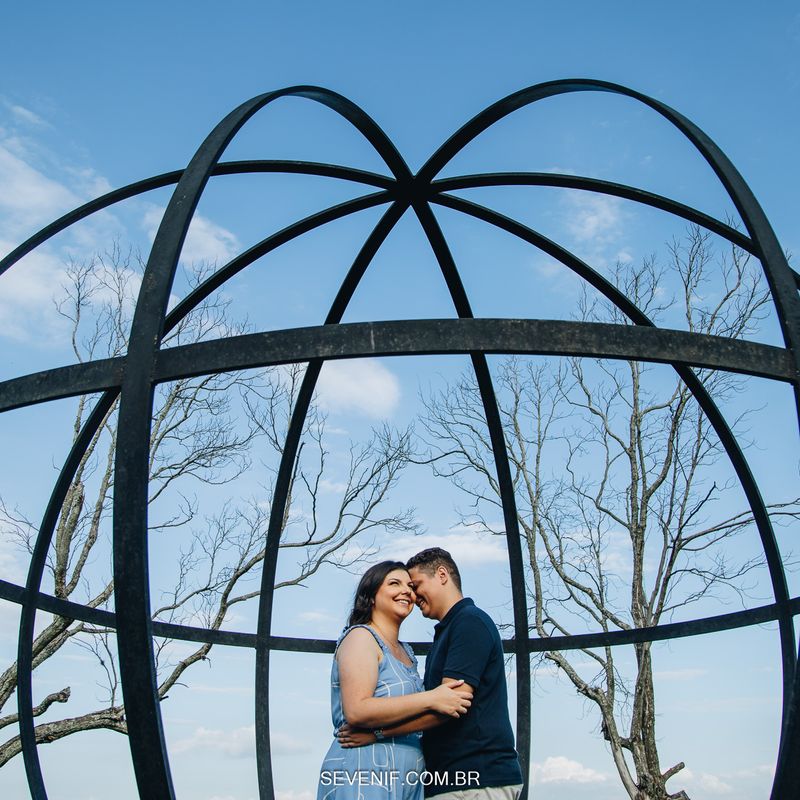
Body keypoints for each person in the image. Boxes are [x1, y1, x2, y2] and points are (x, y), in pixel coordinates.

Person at [339, 548, 523, 800]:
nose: (412, 594)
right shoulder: (448, 630)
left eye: (415, 585)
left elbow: (450, 705)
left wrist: (377, 734)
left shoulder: (469, 622)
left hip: (475, 778)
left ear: (442, 574)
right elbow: (438, 701)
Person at [317, 560, 473, 800]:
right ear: (371, 596)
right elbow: (357, 710)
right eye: (394, 583)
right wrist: (432, 697)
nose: (406, 591)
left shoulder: (407, 653)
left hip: (408, 778)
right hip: (364, 770)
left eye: (410, 586)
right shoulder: (361, 637)